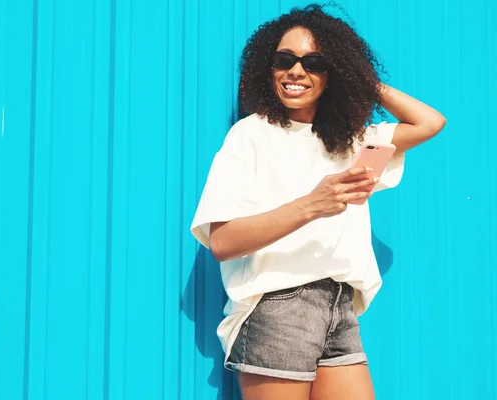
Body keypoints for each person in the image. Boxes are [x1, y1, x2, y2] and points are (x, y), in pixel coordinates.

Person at [190, 4, 445, 400]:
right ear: (267, 68)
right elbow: (223, 242)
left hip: (340, 310)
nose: (296, 71)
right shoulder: (251, 135)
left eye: (315, 62)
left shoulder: (355, 144)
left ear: (333, 74)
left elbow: (429, 123)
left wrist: (359, 78)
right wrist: (313, 203)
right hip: (278, 309)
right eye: (284, 60)